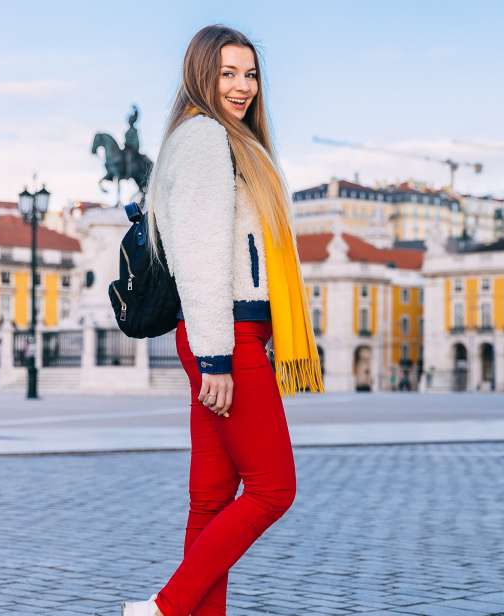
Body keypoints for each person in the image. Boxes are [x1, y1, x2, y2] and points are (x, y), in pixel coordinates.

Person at [121, 25, 323, 616]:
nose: (242, 86)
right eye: (227, 73)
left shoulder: (223, 140)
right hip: (225, 335)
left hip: (226, 333)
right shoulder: (207, 138)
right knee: (272, 488)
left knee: (211, 500)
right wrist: (216, 357)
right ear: (200, 73)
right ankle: (164, 609)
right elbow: (202, 252)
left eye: (250, 73)